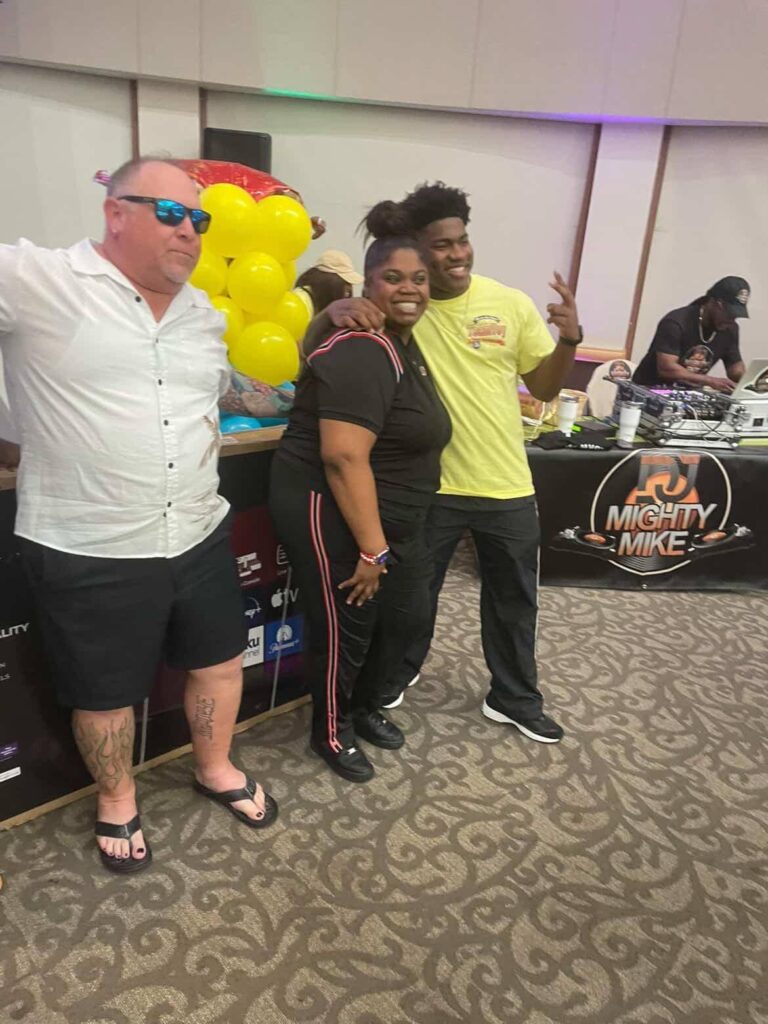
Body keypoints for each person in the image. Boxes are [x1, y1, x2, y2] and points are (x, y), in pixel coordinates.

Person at [0, 157, 277, 874]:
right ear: (115, 212)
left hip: (197, 529)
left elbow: (218, 396)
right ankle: (117, 798)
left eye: (200, 219)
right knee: (105, 695)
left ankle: (215, 767)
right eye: (171, 213)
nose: (190, 231)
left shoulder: (203, 314)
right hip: (90, 541)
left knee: (219, 662)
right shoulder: (39, 280)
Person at [312, 182, 583, 744]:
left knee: (514, 603)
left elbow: (543, 388)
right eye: (441, 245)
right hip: (429, 488)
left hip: (505, 483)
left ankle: (514, 698)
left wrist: (569, 340)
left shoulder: (509, 303)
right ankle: (389, 682)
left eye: (462, 240)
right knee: (410, 605)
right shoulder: (404, 306)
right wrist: (334, 307)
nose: (458, 254)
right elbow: (324, 345)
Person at [268, 202, 451, 783]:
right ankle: (332, 729)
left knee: (397, 620)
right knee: (345, 626)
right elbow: (343, 457)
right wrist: (372, 550)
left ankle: (366, 706)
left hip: (389, 515)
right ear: (367, 286)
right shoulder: (363, 345)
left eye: (418, 279)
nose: (409, 289)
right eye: (393, 278)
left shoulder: (403, 343)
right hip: (330, 507)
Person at [633, 277, 749, 391]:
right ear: (713, 303)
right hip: (649, 389)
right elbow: (666, 368)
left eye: (736, 315)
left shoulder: (730, 329)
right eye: (729, 313)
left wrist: (752, 380)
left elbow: (735, 369)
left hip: (689, 393)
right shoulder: (676, 322)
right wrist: (710, 381)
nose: (731, 320)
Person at [293, 250, 364, 322]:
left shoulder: (322, 301)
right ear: (330, 281)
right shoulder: (301, 299)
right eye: (345, 283)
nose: (348, 290)